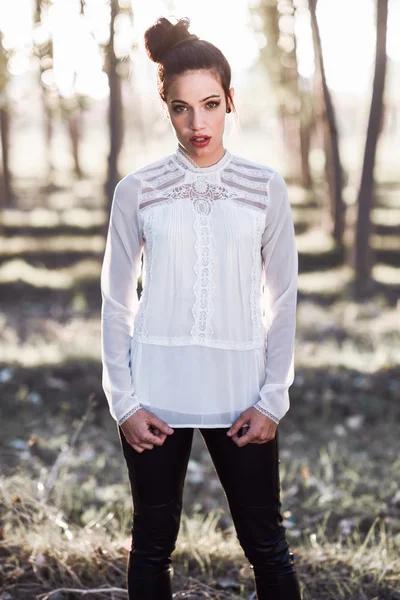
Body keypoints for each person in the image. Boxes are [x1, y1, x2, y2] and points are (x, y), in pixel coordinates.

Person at [100, 15, 302, 600]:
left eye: (211, 104)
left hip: (242, 394)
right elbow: (116, 301)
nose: (198, 123)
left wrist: (272, 400)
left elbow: (283, 299)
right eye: (181, 107)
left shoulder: (265, 187)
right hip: (155, 394)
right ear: (165, 106)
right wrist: (124, 403)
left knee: (266, 543)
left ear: (230, 100)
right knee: (152, 543)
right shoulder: (137, 190)